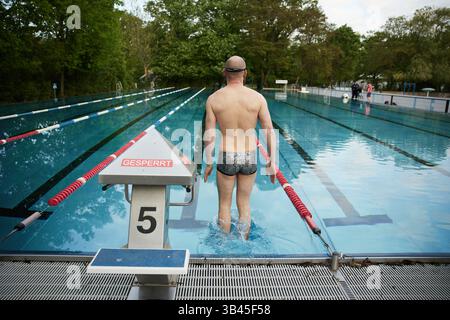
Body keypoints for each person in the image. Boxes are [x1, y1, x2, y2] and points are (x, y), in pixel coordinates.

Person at [203, 56, 276, 240]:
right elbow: (268, 130)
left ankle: (223, 245)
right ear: (245, 72)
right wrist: (272, 161)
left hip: (227, 155)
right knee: (244, 204)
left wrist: (209, 161)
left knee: (224, 205)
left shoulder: (214, 99)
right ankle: (243, 242)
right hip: (249, 155)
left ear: (224, 72)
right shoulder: (257, 98)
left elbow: (209, 133)